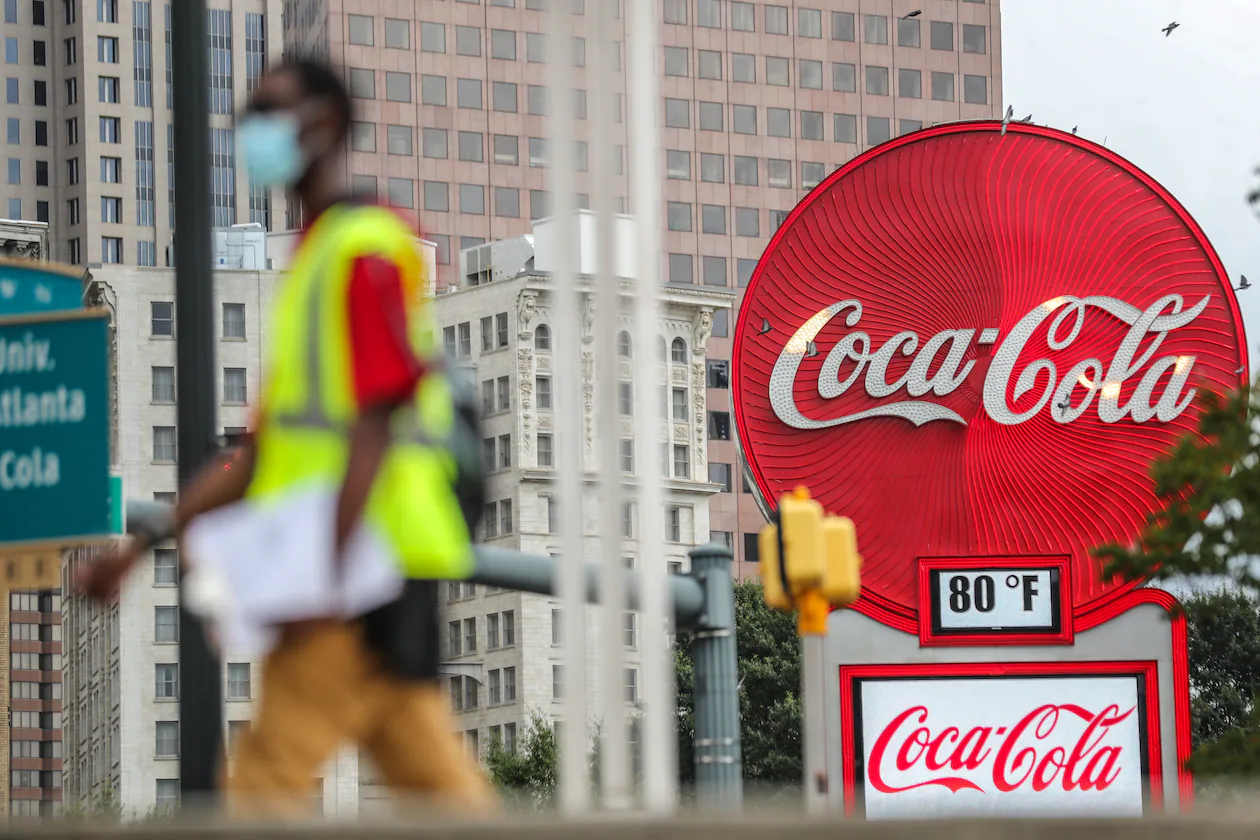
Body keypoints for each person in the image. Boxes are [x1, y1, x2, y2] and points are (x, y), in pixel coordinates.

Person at [77, 58, 497, 818]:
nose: (252, 131)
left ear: (325, 123)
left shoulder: (363, 247)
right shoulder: (315, 258)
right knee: (432, 777)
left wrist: (325, 579)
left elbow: (378, 414)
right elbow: (263, 453)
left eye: (269, 110)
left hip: (363, 565)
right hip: (378, 563)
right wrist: (142, 548)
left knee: (264, 786)